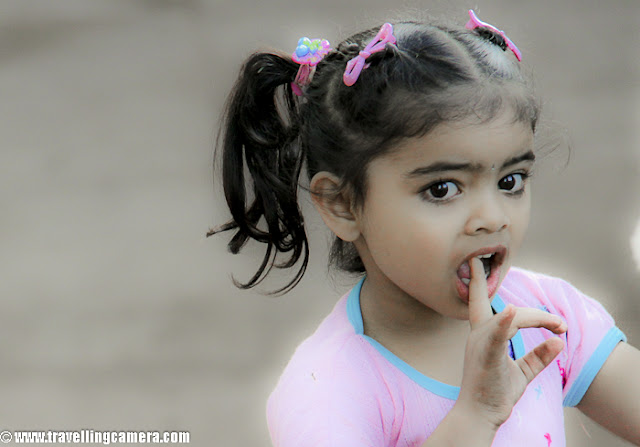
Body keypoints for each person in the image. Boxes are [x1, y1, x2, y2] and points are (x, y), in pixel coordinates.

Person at [210, 9, 640, 446]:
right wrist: (475, 415)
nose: (492, 218)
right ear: (342, 205)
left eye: (510, 181)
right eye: (442, 189)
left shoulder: (548, 318)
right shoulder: (328, 390)